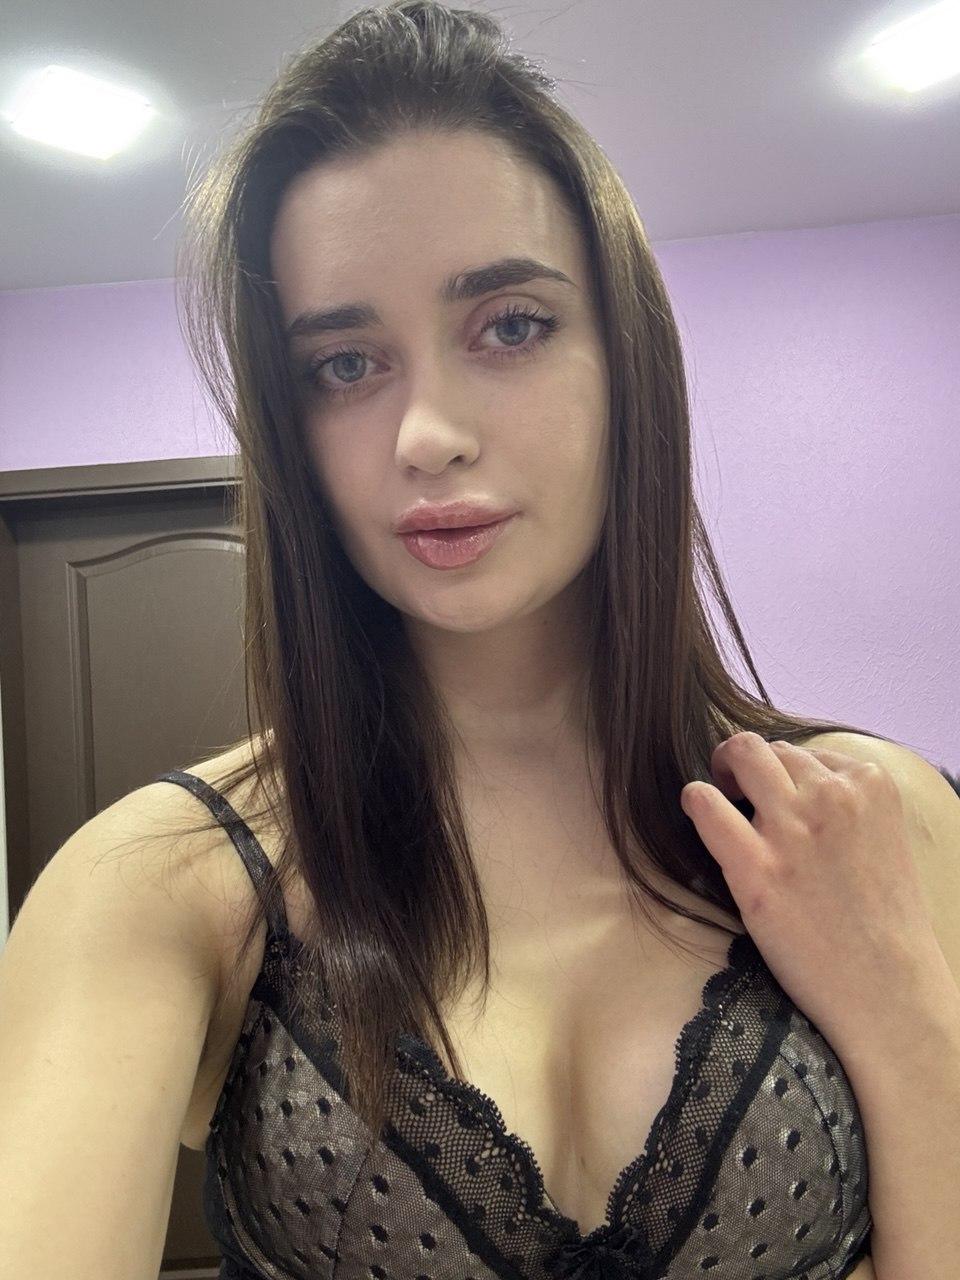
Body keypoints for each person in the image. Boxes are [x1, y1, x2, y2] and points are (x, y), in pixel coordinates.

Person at [0, 3, 893, 1277]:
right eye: (345, 363)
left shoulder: (876, 822)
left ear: (626, 357)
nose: (427, 433)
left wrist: (907, 1015)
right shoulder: (156, 890)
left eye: (510, 325)